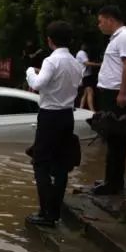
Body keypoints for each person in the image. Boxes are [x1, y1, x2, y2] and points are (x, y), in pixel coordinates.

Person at [25, 21, 85, 227]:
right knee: (60, 165)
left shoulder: (52, 61)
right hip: (67, 115)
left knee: (40, 163)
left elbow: (37, 84)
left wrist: (30, 72)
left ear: (49, 40)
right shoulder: (77, 63)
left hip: (49, 115)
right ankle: (55, 212)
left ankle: (45, 213)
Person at [91, 5, 126, 196]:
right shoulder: (117, 39)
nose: (99, 25)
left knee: (116, 137)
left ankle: (114, 183)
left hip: (117, 94)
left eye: (100, 20)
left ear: (110, 19)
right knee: (110, 136)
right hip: (109, 93)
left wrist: (123, 92)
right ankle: (110, 178)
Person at [76, 42, 98, 111]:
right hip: (86, 75)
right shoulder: (81, 53)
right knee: (90, 91)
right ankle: (92, 110)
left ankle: (81, 107)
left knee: (85, 93)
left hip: (85, 75)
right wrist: (99, 64)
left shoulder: (81, 53)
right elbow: (86, 63)